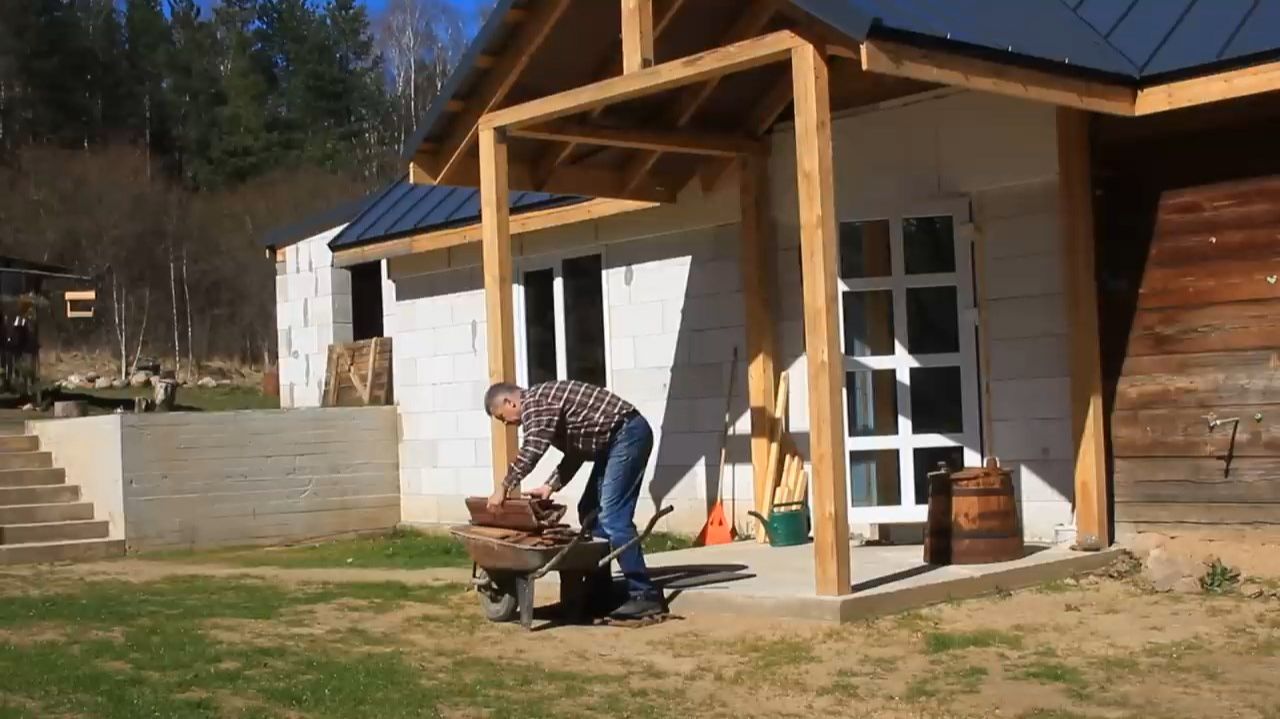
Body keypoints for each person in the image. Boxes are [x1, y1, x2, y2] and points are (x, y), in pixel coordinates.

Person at [484, 379, 665, 620]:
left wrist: (504, 487)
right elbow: (576, 452)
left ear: (509, 401)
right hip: (614, 441)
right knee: (590, 510)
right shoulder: (545, 405)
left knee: (613, 517)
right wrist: (550, 486)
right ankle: (601, 590)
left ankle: (645, 595)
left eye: (502, 417)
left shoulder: (535, 403)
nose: (507, 423)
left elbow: (532, 449)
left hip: (627, 434)